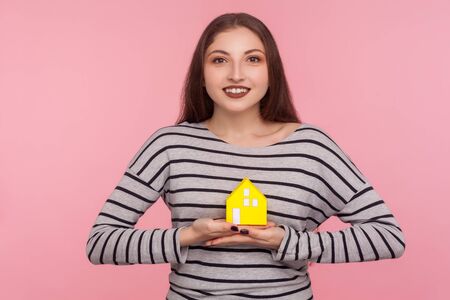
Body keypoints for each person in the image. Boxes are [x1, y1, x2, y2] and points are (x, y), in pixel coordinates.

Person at [86, 12, 406, 299]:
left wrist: (286, 241)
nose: (236, 74)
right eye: (220, 60)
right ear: (202, 73)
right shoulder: (169, 145)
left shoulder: (312, 146)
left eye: (253, 59)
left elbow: (388, 236)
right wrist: (188, 236)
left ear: (271, 71)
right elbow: (101, 243)